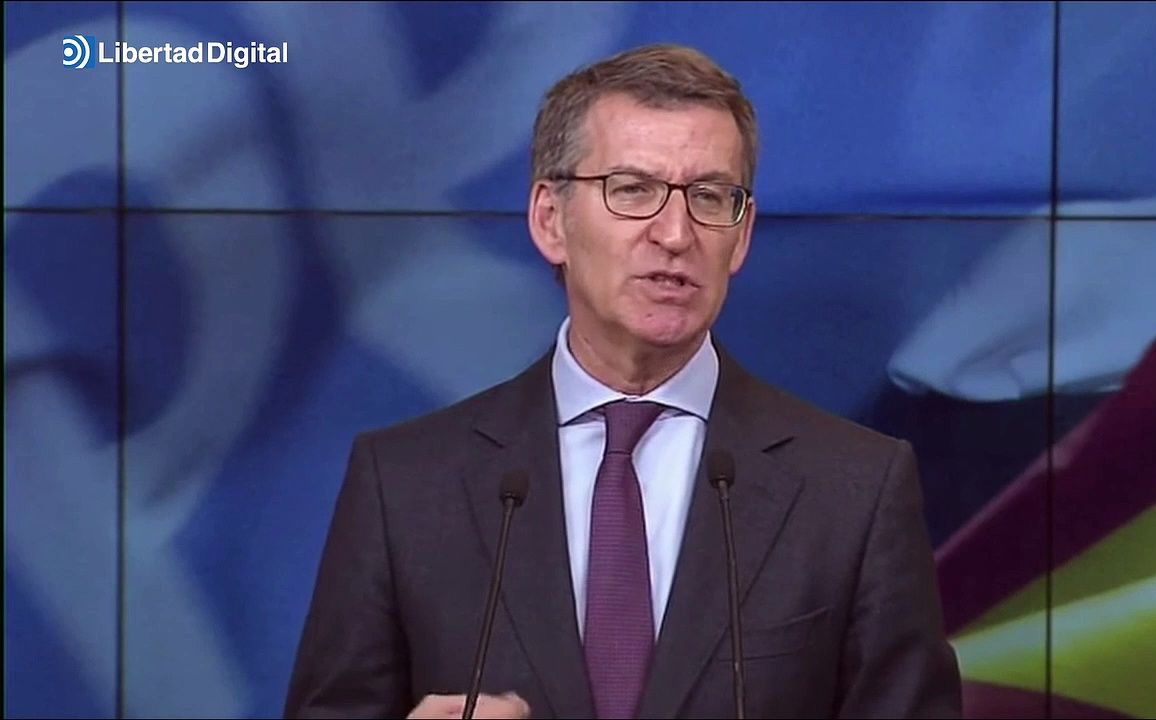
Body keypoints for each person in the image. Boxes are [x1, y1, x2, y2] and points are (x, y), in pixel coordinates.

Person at [284, 43, 961, 719]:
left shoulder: (854, 489)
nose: (675, 233)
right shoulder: (405, 484)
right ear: (550, 220)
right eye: (632, 190)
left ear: (742, 235)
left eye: (709, 196)